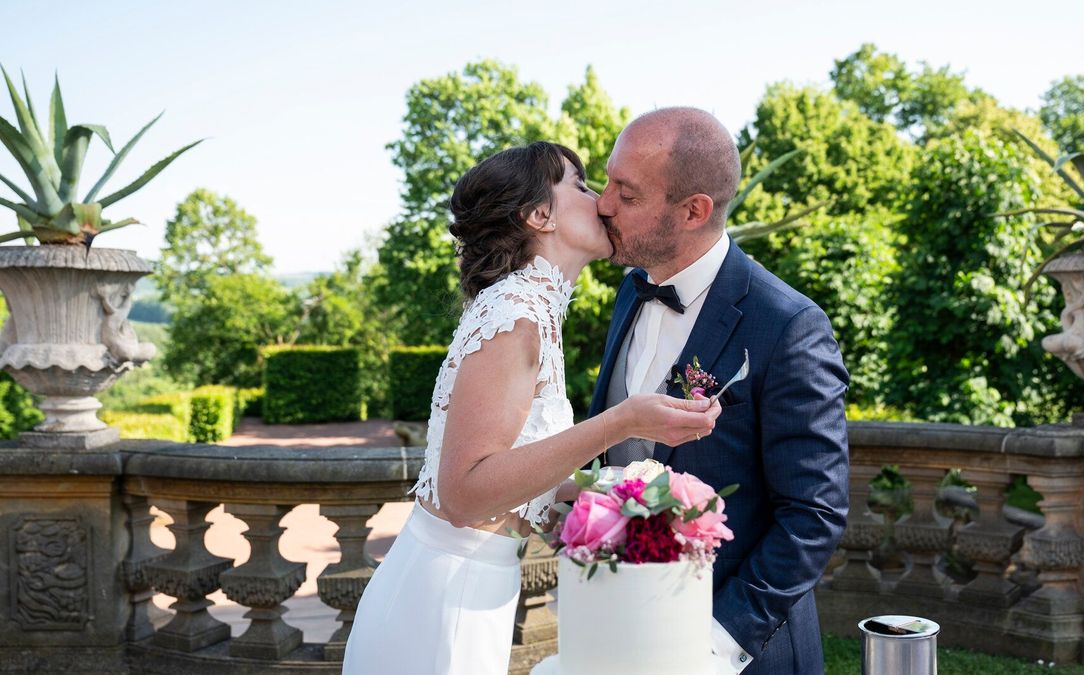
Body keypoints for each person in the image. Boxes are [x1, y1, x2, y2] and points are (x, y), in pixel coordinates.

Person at [342, 141, 721, 675]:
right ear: (540, 215)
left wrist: (620, 498)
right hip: (445, 603)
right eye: (582, 186)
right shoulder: (516, 314)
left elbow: (504, 468)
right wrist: (622, 422)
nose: (603, 203)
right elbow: (464, 492)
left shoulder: (528, 308)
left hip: (473, 586)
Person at [590, 108, 850, 674]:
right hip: (621, 627)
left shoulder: (788, 325)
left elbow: (814, 514)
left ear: (693, 210)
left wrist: (712, 644)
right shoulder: (632, 292)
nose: (603, 203)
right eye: (606, 181)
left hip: (739, 651)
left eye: (626, 194)